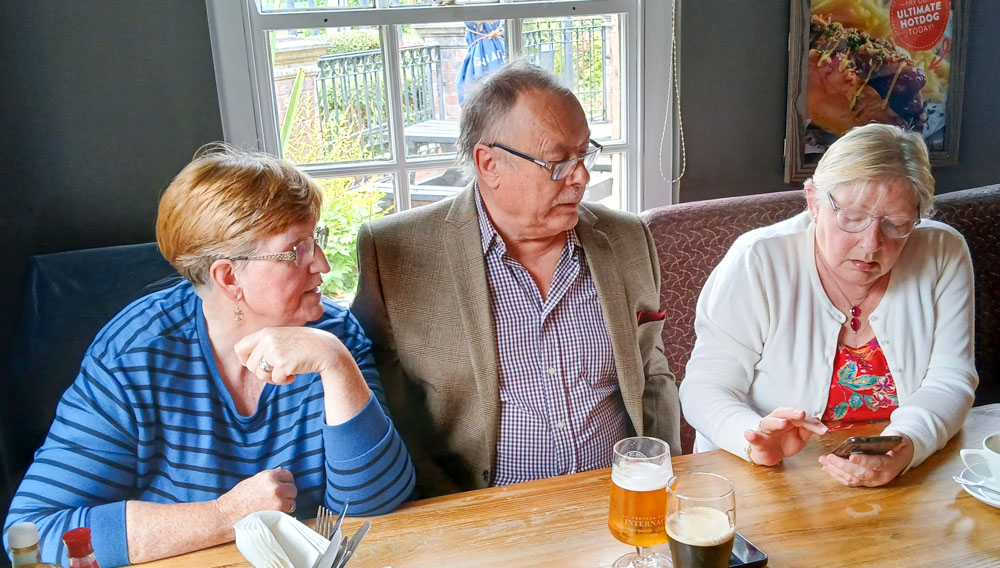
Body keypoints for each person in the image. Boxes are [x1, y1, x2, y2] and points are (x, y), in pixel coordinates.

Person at [3, 146, 415, 566]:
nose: (322, 265)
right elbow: (37, 528)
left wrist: (334, 360)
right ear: (229, 276)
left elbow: (379, 507)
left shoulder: (332, 333)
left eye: (317, 241)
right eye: (296, 251)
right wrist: (226, 515)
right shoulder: (134, 355)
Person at [352, 59, 681, 497]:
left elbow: (652, 373)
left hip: (619, 499)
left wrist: (663, 477)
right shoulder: (396, 253)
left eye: (584, 153)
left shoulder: (626, 237)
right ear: (489, 164)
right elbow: (387, 408)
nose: (582, 176)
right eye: (558, 161)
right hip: (481, 514)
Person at [680, 123, 977, 487]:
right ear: (813, 201)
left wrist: (908, 444)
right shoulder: (758, 260)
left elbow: (951, 378)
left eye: (897, 224)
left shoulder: (943, 252)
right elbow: (704, 387)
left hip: (905, 478)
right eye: (852, 218)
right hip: (769, 477)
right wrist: (753, 438)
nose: (870, 244)